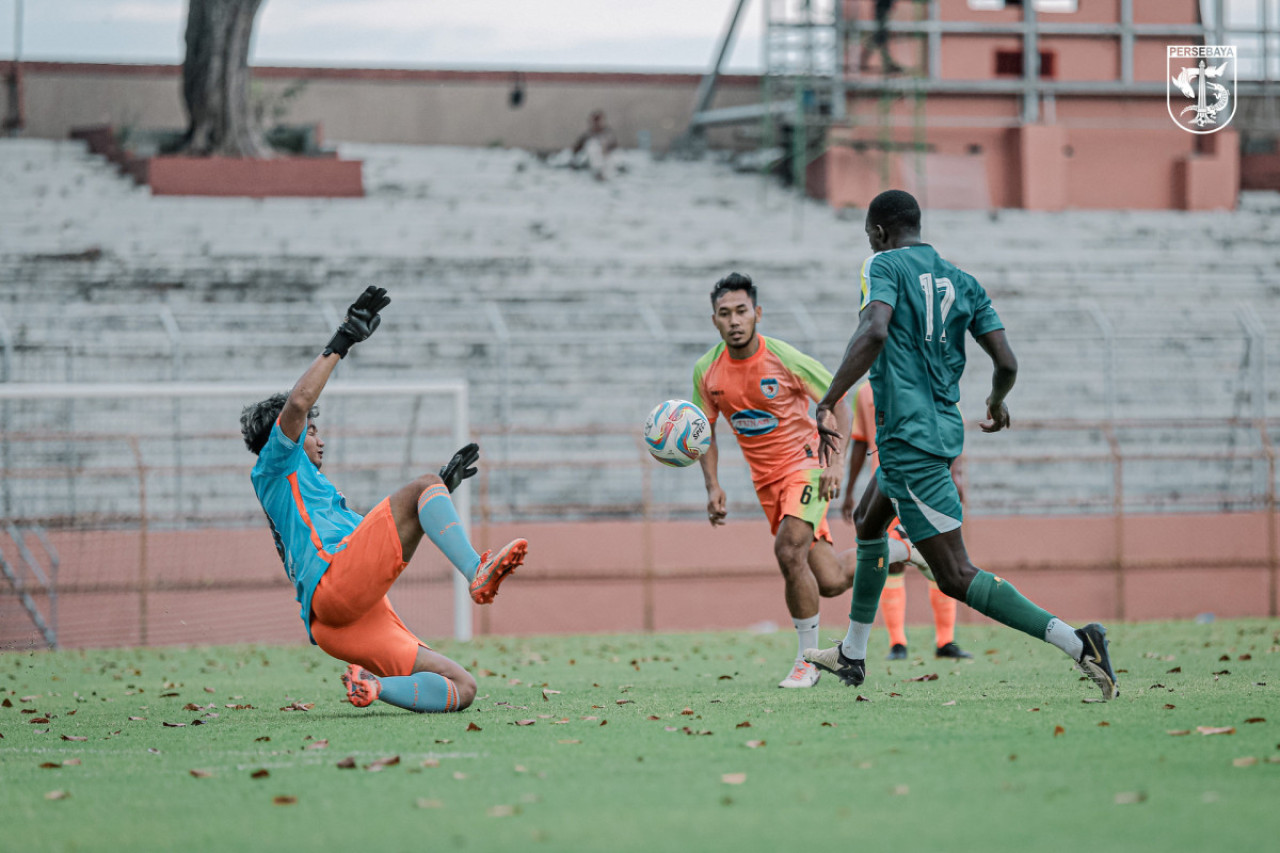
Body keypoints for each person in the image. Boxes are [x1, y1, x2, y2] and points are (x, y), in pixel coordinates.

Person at [803, 190, 1119, 701]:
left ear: (879, 233)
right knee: (868, 521)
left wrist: (829, 399)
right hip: (937, 432)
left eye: (869, 234)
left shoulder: (881, 265)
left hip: (909, 441)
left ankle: (1079, 643)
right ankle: (853, 654)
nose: (870, 242)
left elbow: (875, 328)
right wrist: (996, 401)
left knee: (954, 575)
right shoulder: (965, 281)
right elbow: (1008, 362)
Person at [239, 286, 528, 714]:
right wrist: (344, 338)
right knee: (419, 486)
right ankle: (476, 571)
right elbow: (300, 401)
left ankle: (374, 688)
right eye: (312, 431)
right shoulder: (275, 464)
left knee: (461, 686)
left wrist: (440, 491)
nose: (319, 437)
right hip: (334, 588)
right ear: (290, 436)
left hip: (339, 623)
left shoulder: (315, 497)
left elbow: (386, 535)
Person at [692, 272, 857, 689]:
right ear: (714, 320)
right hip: (767, 484)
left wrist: (836, 463)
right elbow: (704, 431)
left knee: (787, 550)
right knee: (833, 580)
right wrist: (712, 485)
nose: (734, 320)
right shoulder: (707, 372)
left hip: (807, 465)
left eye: (741, 311)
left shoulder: (784, 359)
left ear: (757, 314)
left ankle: (809, 662)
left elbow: (838, 402)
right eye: (724, 313)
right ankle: (900, 548)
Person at [842, 380, 971, 661]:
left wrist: (956, 475)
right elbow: (861, 440)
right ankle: (897, 642)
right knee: (892, 561)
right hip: (887, 488)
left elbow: (954, 432)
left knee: (941, 559)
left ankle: (945, 640)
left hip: (930, 484)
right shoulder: (866, 391)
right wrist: (850, 489)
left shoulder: (936, 382)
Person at [573, 110, 618, 181]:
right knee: (592, 145)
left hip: (606, 158)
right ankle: (598, 172)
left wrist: (605, 149)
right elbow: (577, 148)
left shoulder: (608, 133)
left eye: (598, 120)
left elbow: (613, 145)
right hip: (591, 161)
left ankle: (604, 173)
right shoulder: (588, 135)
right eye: (595, 121)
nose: (597, 123)